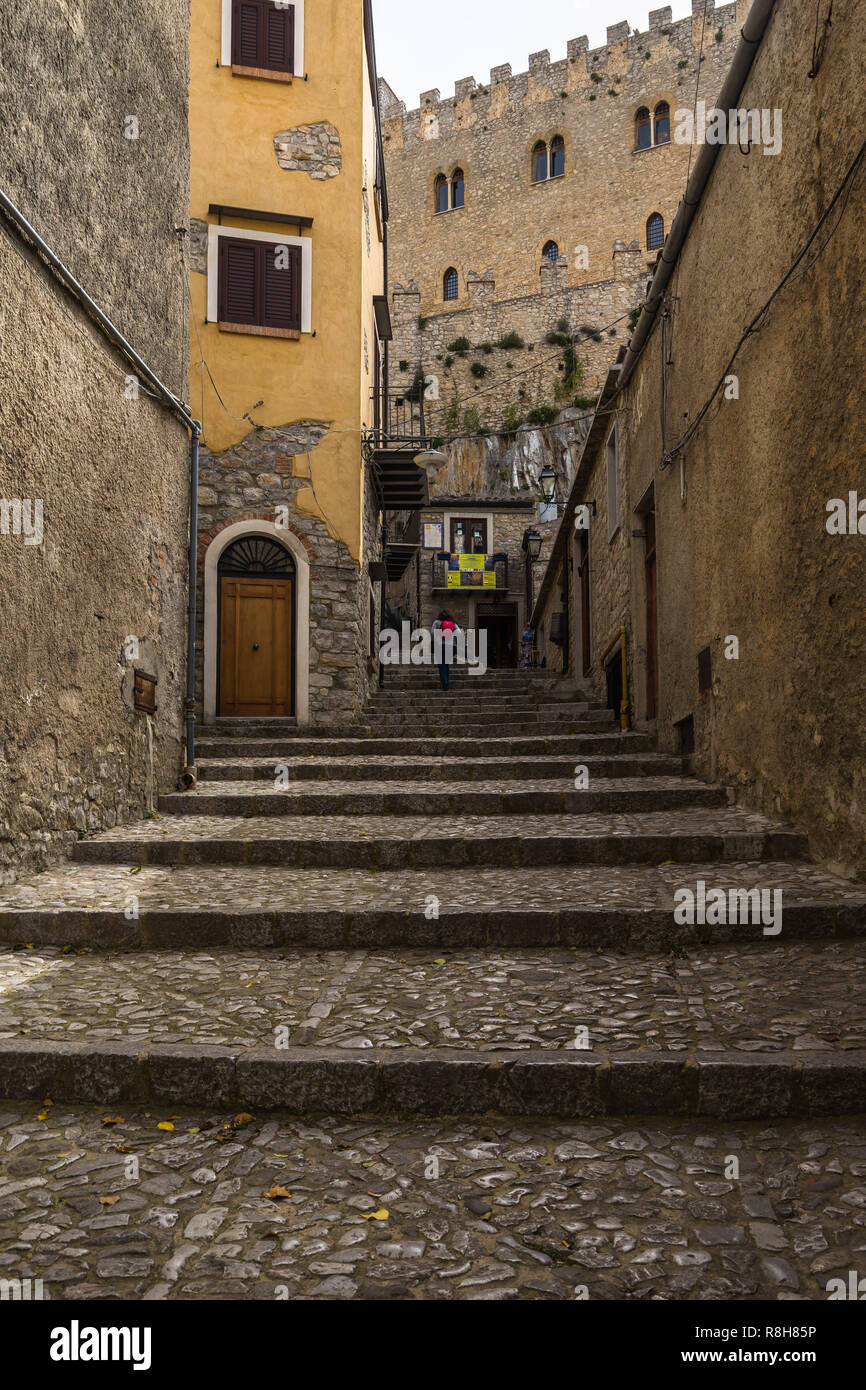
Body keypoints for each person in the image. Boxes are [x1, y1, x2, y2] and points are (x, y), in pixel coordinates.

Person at [431, 610, 460, 690]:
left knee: (442, 665)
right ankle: (446, 683)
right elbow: (459, 633)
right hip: (452, 646)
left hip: (441, 646)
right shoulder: (453, 623)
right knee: (446, 664)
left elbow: (432, 633)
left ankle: (445, 685)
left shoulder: (436, 622)